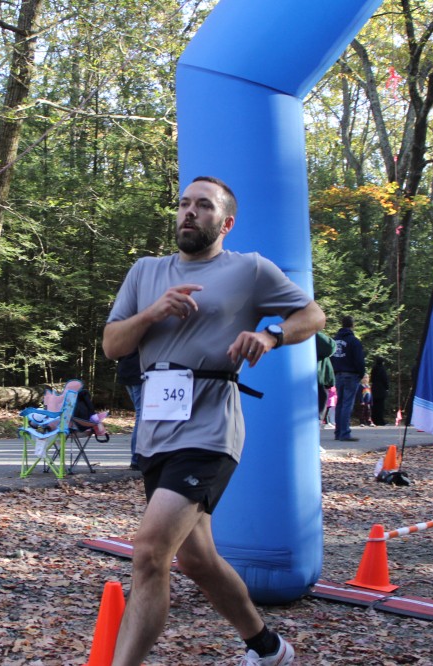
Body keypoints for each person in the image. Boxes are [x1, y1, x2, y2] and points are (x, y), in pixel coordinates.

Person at [102, 176, 324, 666]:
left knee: (149, 552)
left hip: (210, 428)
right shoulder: (145, 271)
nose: (189, 211)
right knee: (196, 559)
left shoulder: (249, 269)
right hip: (156, 427)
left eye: (203, 206)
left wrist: (270, 335)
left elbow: (313, 316)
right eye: (184, 203)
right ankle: (268, 648)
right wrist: (152, 313)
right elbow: (113, 345)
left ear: (226, 223)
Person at [330, 315, 365, 442]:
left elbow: (331, 357)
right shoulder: (354, 341)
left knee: (339, 403)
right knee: (347, 404)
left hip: (338, 374)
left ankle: (338, 432)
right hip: (351, 374)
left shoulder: (334, 341)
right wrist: (361, 373)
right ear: (352, 325)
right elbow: (359, 359)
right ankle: (344, 433)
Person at [116, 350, 142, 469]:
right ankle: (137, 459)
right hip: (138, 372)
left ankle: (137, 458)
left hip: (126, 371)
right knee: (142, 415)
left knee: (140, 413)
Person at [315, 330, 335, 422]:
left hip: (316, 377)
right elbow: (330, 347)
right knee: (320, 403)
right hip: (318, 377)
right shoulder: (312, 334)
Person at [370, 356, 388, 426]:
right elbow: (385, 379)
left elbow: (371, 379)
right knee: (380, 406)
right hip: (381, 389)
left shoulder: (374, 368)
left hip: (374, 388)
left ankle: (374, 420)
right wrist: (387, 387)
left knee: (374, 405)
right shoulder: (382, 369)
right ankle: (380, 420)